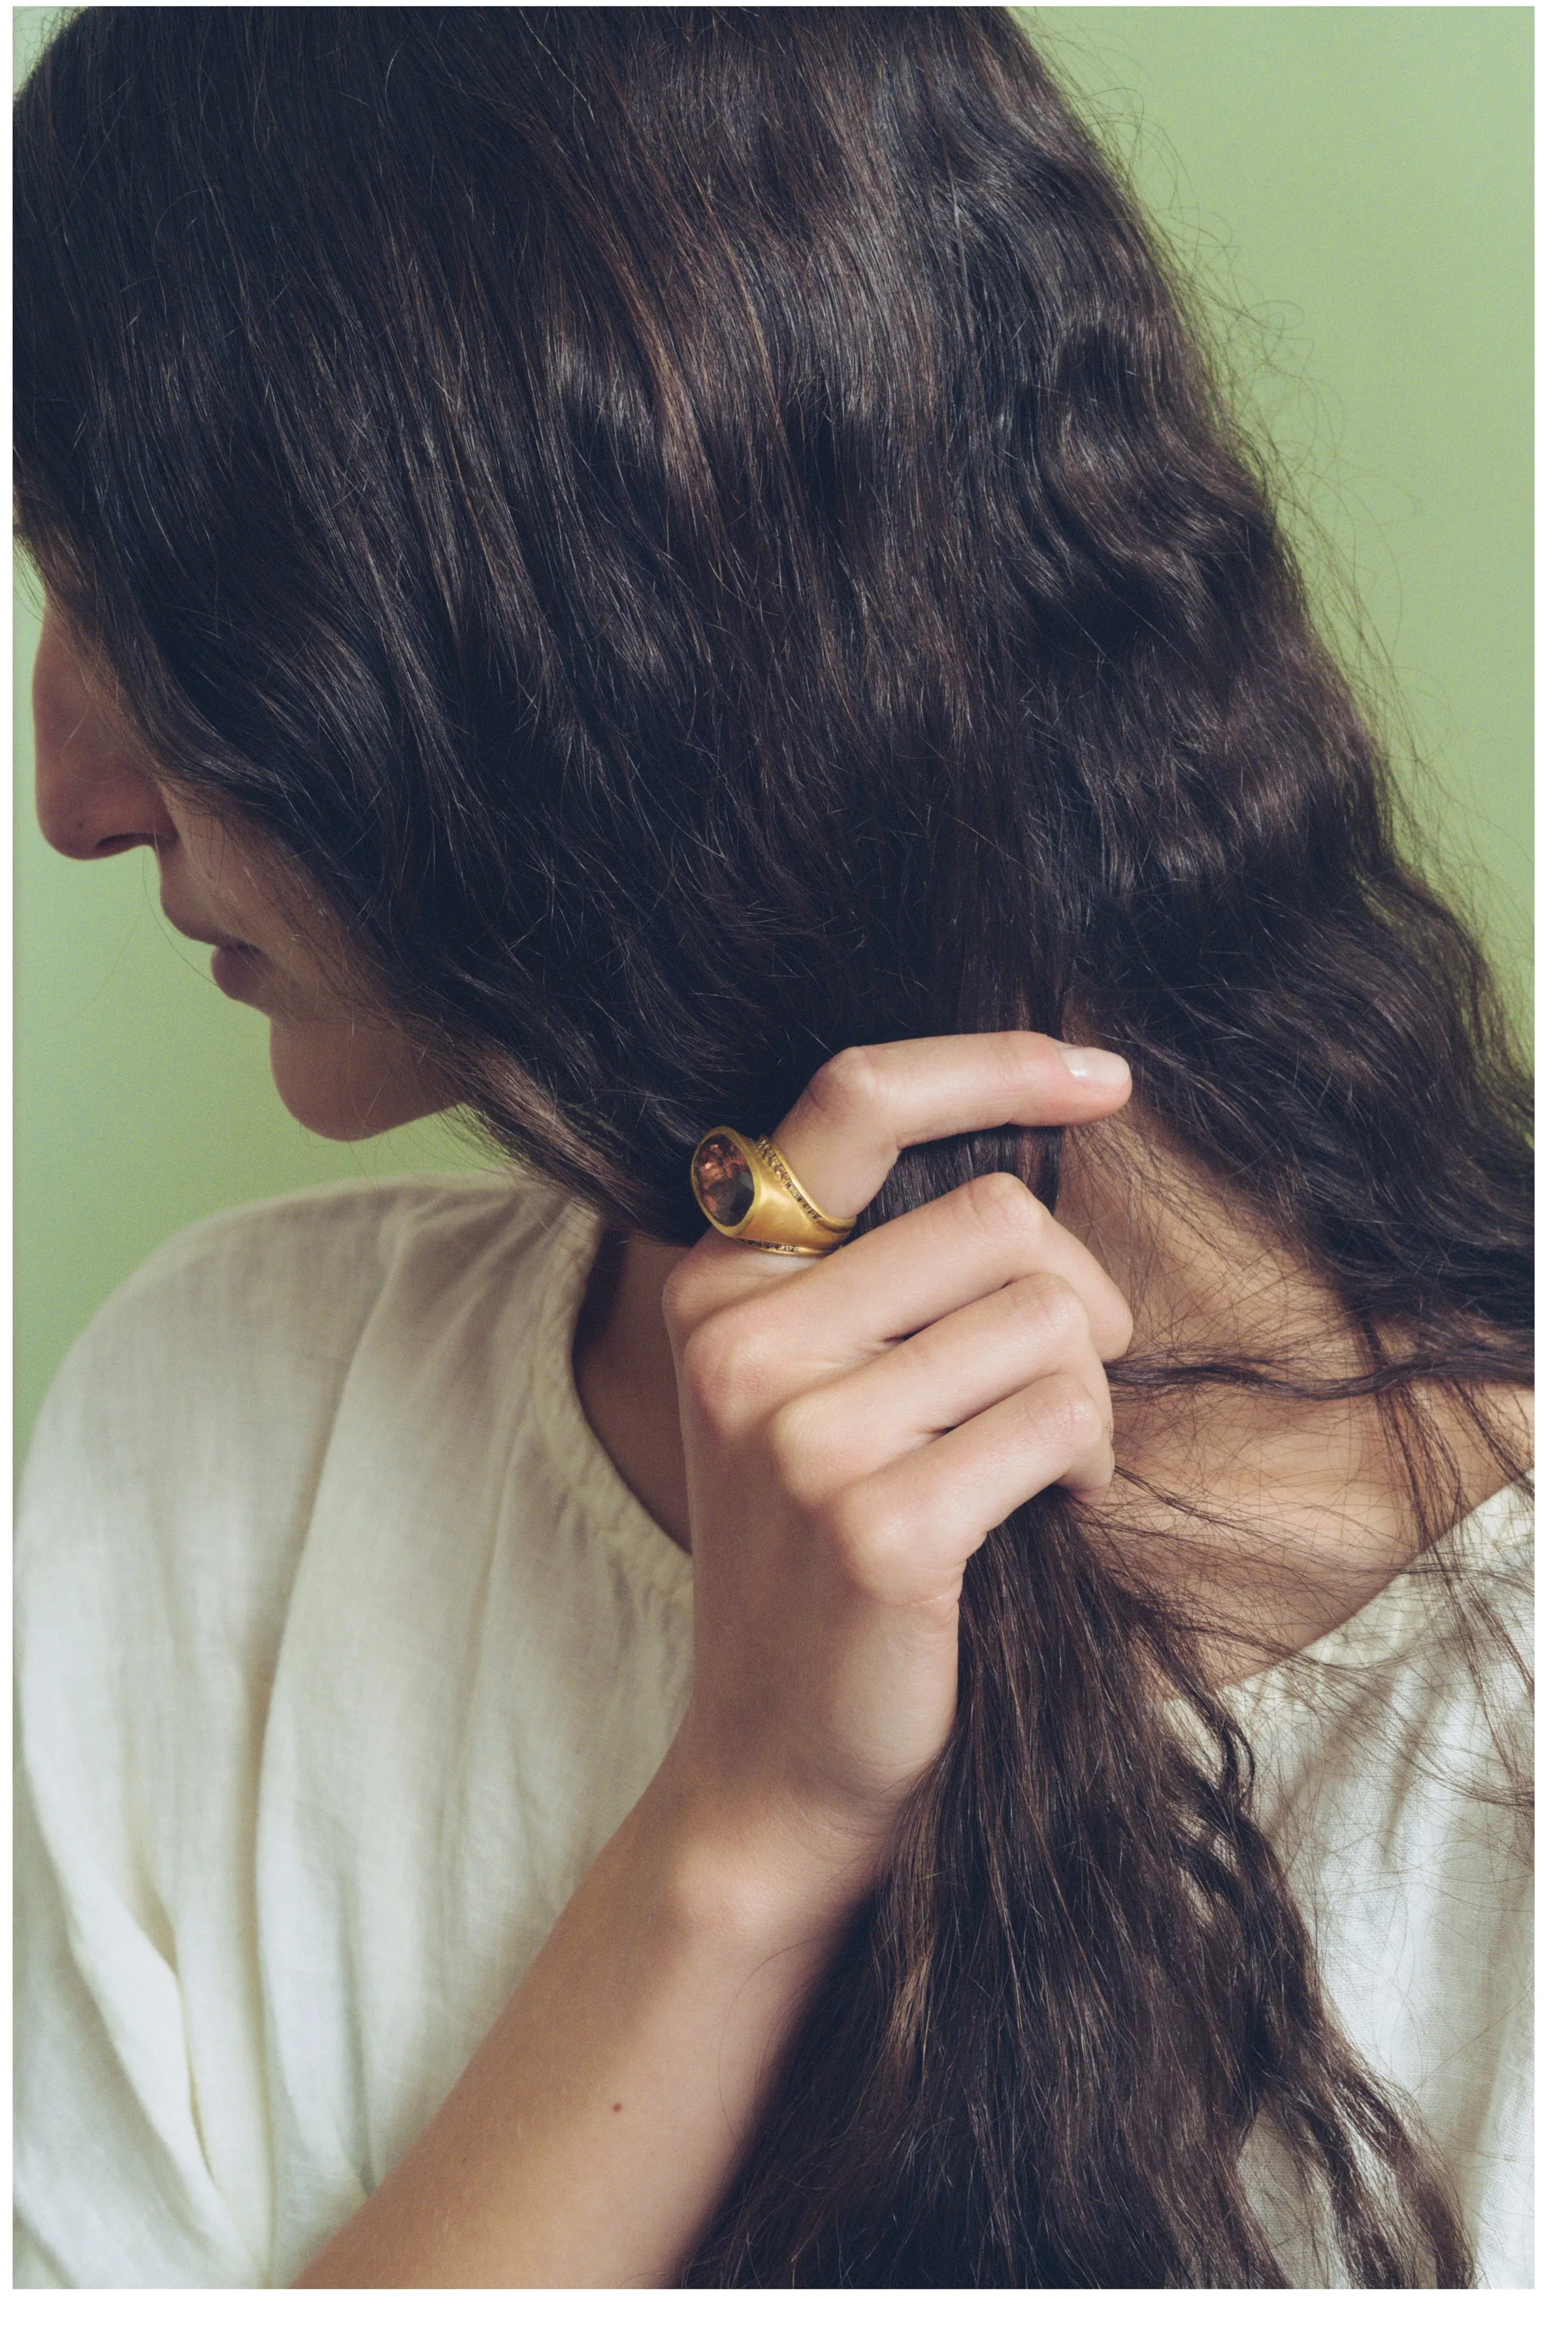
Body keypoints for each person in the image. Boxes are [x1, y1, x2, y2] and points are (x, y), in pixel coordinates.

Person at [13, 7, 1532, 2291]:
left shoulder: (1507, 1700)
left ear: (581, 592)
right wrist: (738, 1838)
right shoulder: (224, 1439)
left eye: (146, 615)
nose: (70, 796)